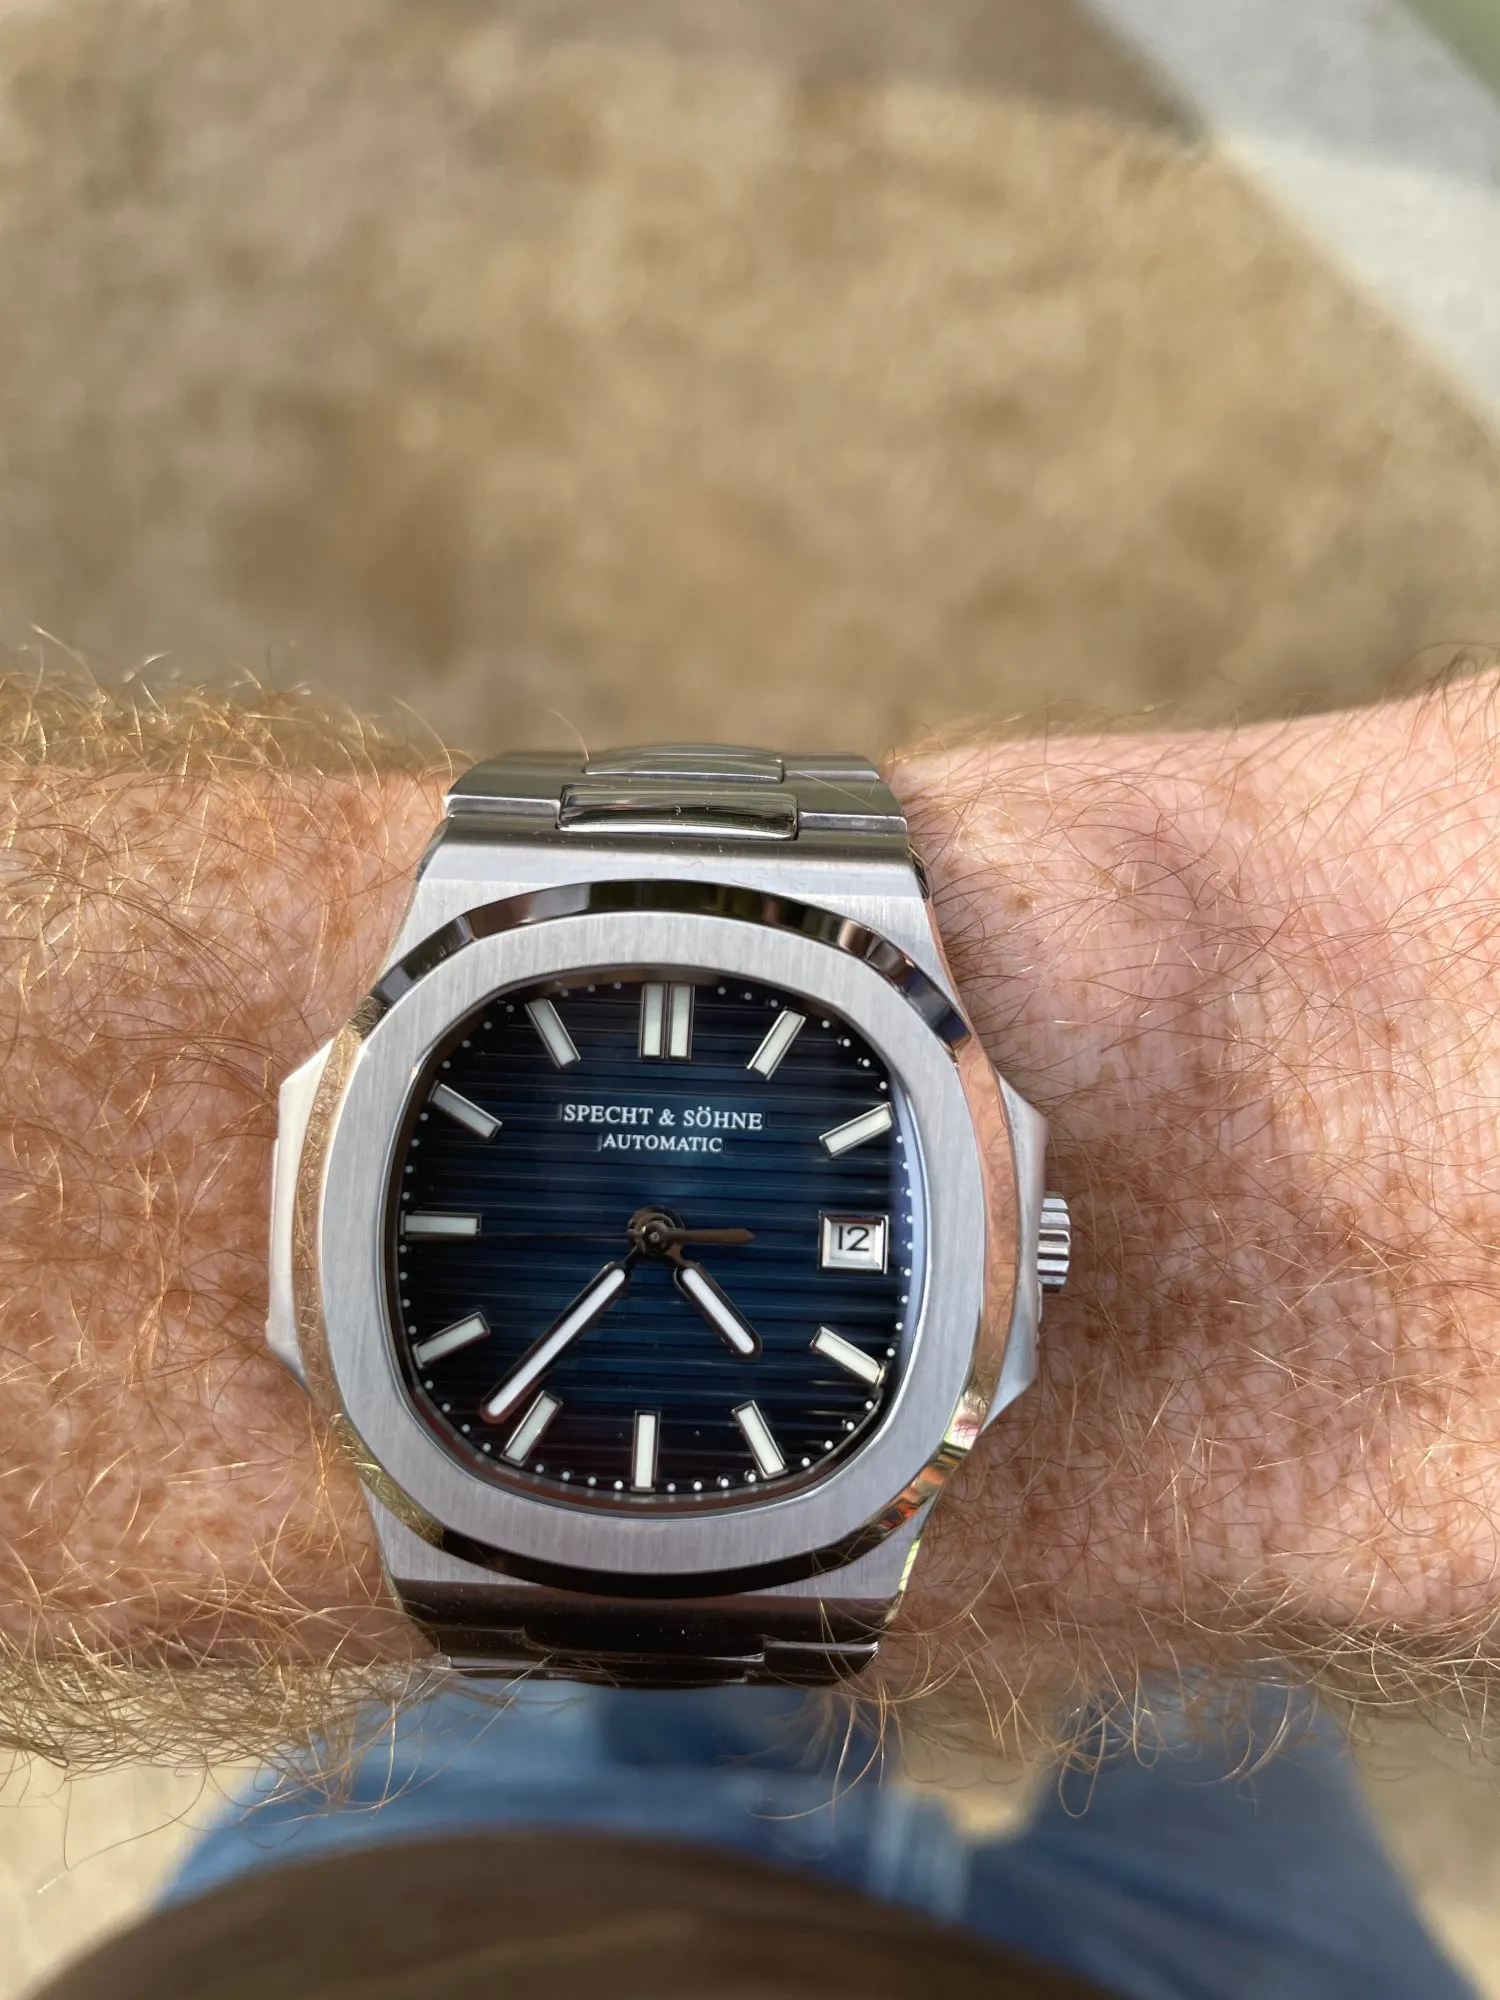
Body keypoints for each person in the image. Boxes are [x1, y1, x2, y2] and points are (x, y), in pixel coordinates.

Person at [4, 668, 1499, 1995]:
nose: (654, 1240)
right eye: (648, 1239)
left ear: (1032, 1239)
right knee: (1224, 1719)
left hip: (382, 1920)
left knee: (543, 1708)